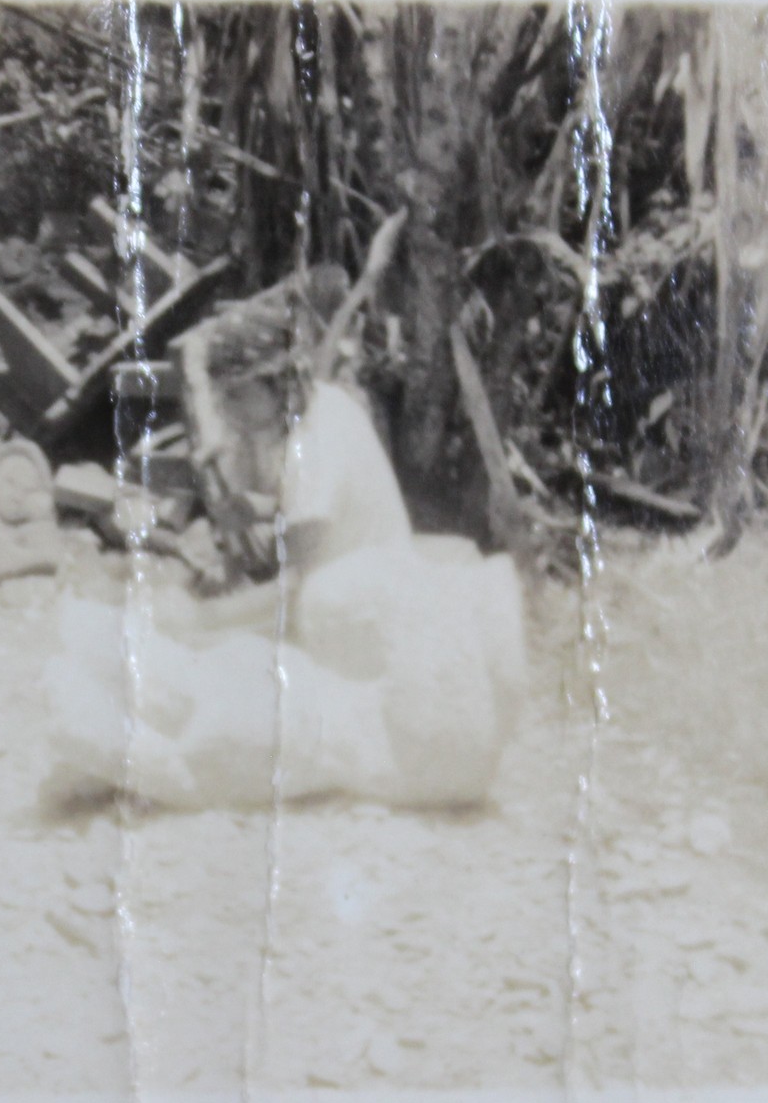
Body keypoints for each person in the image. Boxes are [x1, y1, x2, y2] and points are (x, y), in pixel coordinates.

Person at [42, 295, 526, 810]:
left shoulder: (310, 448)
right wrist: (258, 511)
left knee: (215, 669)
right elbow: (315, 517)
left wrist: (202, 620)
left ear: (276, 382)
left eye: (237, 395)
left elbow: (294, 591)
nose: (229, 411)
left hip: (359, 634)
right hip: (355, 604)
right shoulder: (329, 406)